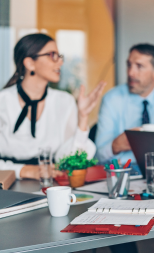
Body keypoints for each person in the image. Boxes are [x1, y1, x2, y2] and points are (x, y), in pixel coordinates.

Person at [0, 33, 104, 181]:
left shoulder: (64, 101)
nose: (60, 62)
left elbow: (72, 160)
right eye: (52, 55)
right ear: (30, 63)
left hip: (52, 184)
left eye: (59, 56)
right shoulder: (2, 101)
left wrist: (83, 118)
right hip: (7, 185)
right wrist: (24, 170)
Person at [95, 43, 154, 168]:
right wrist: (115, 146)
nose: (130, 73)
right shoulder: (112, 98)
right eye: (129, 65)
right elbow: (98, 155)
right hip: (123, 170)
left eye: (139, 66)